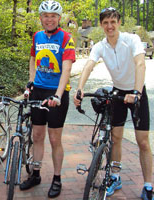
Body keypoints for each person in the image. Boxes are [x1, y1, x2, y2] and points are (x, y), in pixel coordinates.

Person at [74, 7, 153, 200]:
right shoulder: (100, 46)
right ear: (101, 25)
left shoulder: (131, 40)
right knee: (116, 138)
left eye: (113, 22)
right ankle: (115, 176)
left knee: (142, 142)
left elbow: (140, 64)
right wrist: (80, 87)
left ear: (118, 22)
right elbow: (88, 65)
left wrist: (136, 92)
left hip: (136, 92)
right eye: (105, 23)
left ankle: (148, 185)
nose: (110, 26)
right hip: (117, 91)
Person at [19, 0, 75, 198]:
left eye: (53, 16)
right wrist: (31, 82)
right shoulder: (37, 36)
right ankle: (36, 174)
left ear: (58, 18)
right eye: (45, 16)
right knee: (37, 136)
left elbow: (67, 68)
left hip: (57, 92)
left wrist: (58, 95)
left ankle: (57, 178)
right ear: (41, 18)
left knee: (54, 138)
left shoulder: (66, 38)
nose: (49, 19)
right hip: (38, 91)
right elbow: (33, 59)